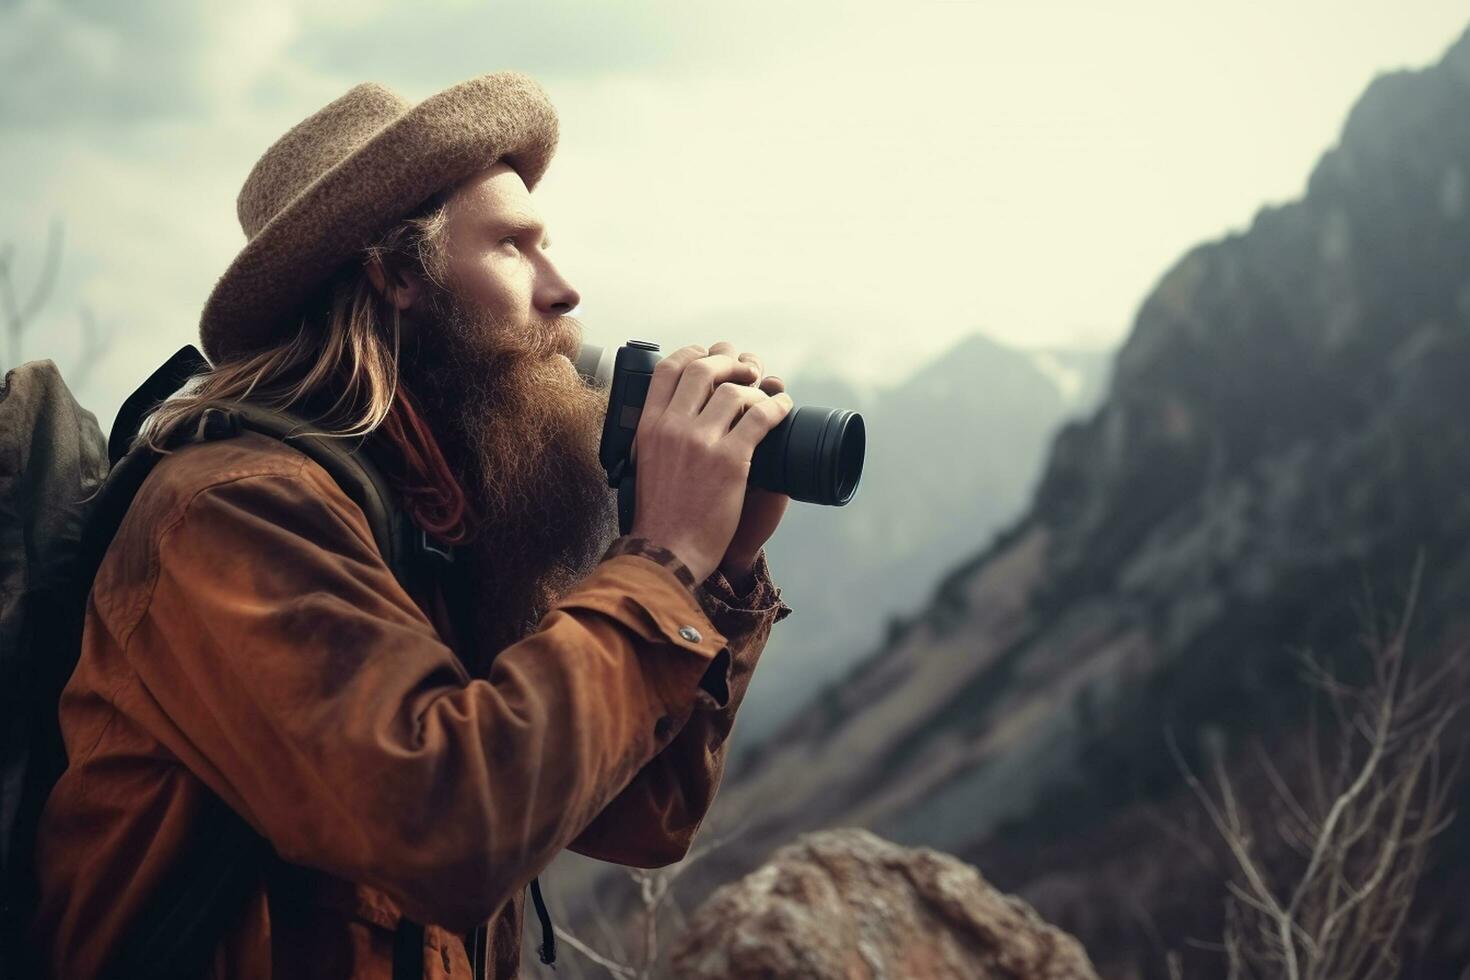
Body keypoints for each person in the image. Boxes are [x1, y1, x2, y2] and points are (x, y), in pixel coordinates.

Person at [31, 71, 794, 979]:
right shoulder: (231, 512)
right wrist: (663, 559)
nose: (564, 290)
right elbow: (449, 825)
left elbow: (637, 815)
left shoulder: (433, 530)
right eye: (514, 248)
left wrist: (722, 566)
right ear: (395, 274)